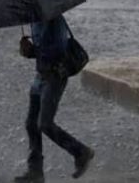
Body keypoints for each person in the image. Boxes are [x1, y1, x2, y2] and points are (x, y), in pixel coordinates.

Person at [14, 15, 94, 183]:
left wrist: (33, 50)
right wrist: (27, 51)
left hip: (55, 76)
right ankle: (35, 172)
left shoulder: (54, 17)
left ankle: (80, 152)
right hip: (40, 77)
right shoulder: (33, 18)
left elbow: (59, 48)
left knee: (45, 124)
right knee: (31, 124)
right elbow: (40, 52)